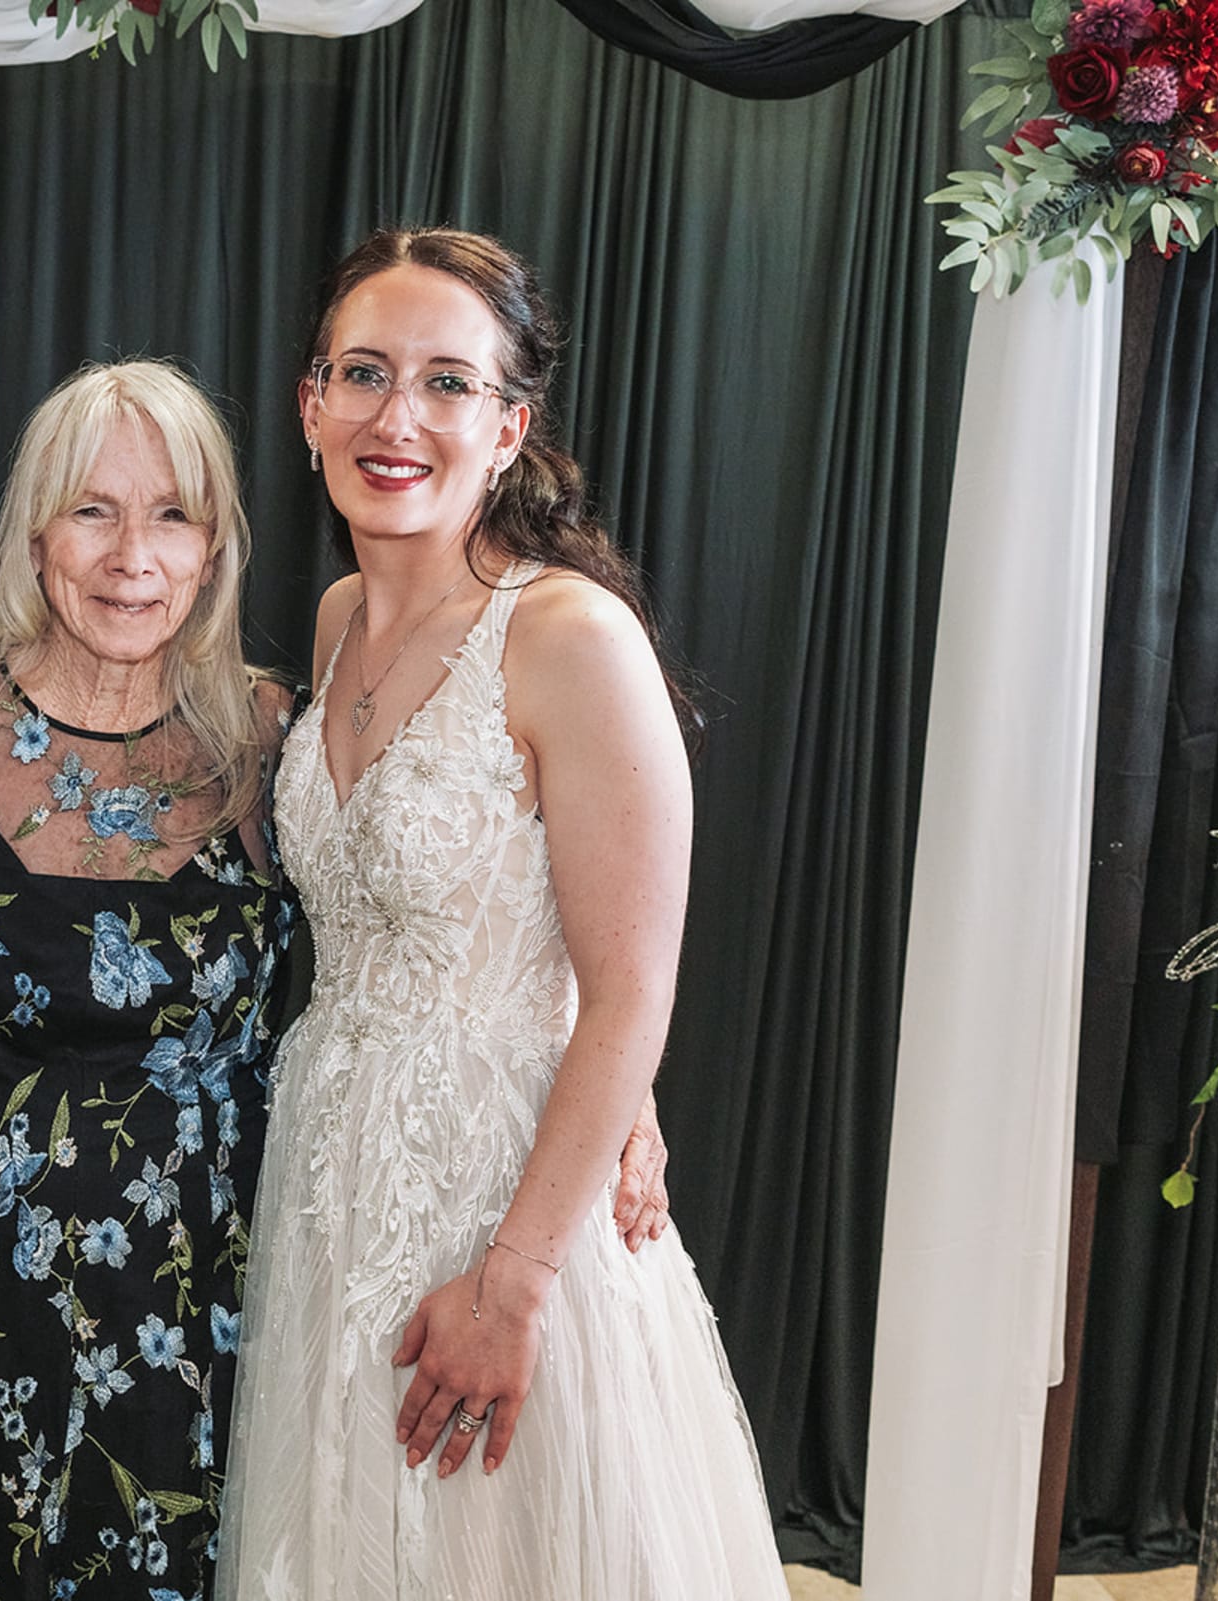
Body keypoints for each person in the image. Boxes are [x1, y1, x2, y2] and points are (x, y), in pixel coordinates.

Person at [0, 362, 678, 1600]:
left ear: (217, 543)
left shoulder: (277, 733)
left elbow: (434, 919)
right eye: (91, 510)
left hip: (181, 1314)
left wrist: (615, 1078)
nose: (131, 555)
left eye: (173, 513)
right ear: (35, 527)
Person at [217, 227, 784, 1599]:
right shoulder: (341, 613)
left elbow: (633, 988)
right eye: (361, 372)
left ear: (510, 425)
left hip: (507, 1202)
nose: (395, 416)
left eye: (447, 382)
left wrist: (516, 1282)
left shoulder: (571, 638)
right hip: (334, 1177)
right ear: (309, 404)